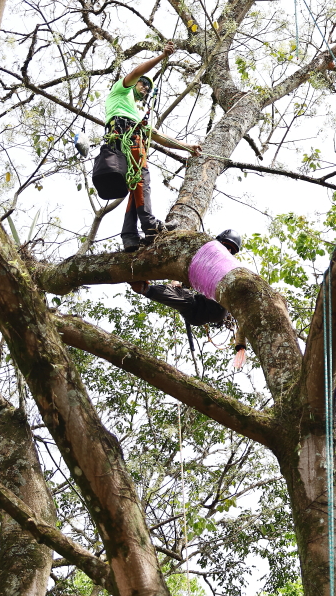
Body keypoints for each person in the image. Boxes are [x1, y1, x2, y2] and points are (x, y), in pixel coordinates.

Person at [105, 41, 202, 252]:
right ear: (134, 83)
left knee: (136, 187)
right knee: (142, 178)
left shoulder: (134, 113)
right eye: (143, 84)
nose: (145, 88)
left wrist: (188, 147)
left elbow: (156, 135)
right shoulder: (120, 92)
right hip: (126, 137)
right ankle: (149, 224)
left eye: (149, 87)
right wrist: (161, 57)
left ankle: (129, 235)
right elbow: (136, 71)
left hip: (128, 137)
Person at [129, 230, 248, 366]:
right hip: (195, 312)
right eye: (226, 245)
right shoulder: (204, 257)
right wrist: (175, 281)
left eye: (231, 250)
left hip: (216, 308)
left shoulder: (229, 268)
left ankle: (147, 290)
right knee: (182, 296)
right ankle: (145, 289)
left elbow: (243, 308)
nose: (227, 250)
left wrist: (241, 343)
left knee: (191, 298)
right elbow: (187, 270)